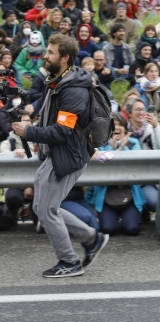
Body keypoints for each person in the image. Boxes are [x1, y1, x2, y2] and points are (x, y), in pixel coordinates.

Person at [10, 33, 108, 277]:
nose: (45, 55)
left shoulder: (73, 90)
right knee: (43, 207)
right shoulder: (58, 80)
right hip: (55, 153)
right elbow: (52, 120)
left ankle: (69, 261)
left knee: (46, 210)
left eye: (51, 52)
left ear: (65, 58)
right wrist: (39, 138)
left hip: (67, 156)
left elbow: (63, 131)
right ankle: (91, 238)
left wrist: (30, 132)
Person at [85, 114, 145, 236]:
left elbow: (137, 166)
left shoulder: (133, 143)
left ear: (125, 128)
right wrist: (112, 148)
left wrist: (123, 149)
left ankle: (129, 216)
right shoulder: (100, 144)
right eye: (113, 125)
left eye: (120, 125)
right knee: (108, 229)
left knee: (132, 230)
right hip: (106, 195)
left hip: (129, 194)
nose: (116, 128)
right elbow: (100, 167)